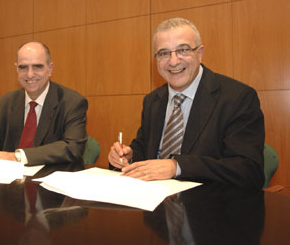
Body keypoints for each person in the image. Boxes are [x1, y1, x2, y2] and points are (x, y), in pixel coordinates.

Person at [108, 18, 265, 189]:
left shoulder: (237, 98)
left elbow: (248, 170)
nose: (173, 61)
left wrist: (177, 166)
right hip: (154, 205)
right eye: (164, 53)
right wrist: (129, 157)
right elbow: (145, 152)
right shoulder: (153, 100)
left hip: (210, 207)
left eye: (182, 50)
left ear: (200, 53)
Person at [0, 41, 88, 165]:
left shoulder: (72, 102)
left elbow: (73, 147)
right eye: (23, 67)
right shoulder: (5, 102)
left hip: (51, 179)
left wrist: (15, 156)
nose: (30, 74)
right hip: (9, 181)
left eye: (37, 67)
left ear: (50, 69)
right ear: (16, 69)